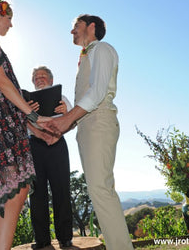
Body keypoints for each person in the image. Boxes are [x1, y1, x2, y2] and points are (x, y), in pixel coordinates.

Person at [0, 0, 54, 250]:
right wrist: (33, 115)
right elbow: (1, 80)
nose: (11, 24)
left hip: (4, 122)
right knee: (15, 193)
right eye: (9, 18)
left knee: (8, 194)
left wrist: (33, 126)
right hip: (4, 122)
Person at [50, 14, 134, 250]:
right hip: (87, 126)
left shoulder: (103, 49)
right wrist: (64, 124)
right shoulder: (87, 56)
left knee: (101, 189)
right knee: (97, 190)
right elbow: (86, 101)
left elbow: (97, 93)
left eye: (76, 26)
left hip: (99, 122)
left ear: (92, 26)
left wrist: (67, 118)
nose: (72, 31)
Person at [26, 66, 73, 249]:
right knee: (37, 193)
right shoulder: (26, 101)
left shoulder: (63, 99)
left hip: (58, 145)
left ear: (51, 80)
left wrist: (65, 112)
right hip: (35, 147)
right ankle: (42, 240)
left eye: (43, 76)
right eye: (36, 77)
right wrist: (28, 112)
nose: (39, 78)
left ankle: (65, 237)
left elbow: (73, 121)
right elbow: (22, 126)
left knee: (61, 190)